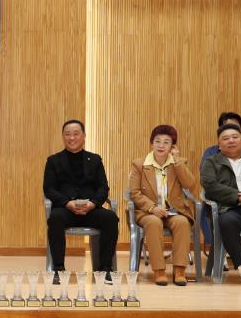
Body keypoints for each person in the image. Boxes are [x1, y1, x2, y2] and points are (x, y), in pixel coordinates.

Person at [43, 119, 118, 284]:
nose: (72, 138)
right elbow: (49, 189)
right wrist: (67, 203)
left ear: (84, 136)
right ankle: (58, 269)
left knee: (110, 218)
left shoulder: (95, 159)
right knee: (55, 218)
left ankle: (105, 269)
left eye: (76, 134)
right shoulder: (53, 160)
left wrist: (93, 204)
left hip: (90, 209)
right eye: (68, 134)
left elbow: (103, 188)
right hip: (65, 209)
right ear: (63, 137)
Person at [129, 125, 197, 285]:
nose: (161, 145)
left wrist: (177, 162)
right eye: (157, 141)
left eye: (166, 142)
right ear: (151, 143)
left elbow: (190, 184)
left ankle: (179, 270)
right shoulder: (139, 164)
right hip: (148, 212)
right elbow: (135, 192)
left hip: (174, 211)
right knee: (154, 223)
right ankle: (159, 271)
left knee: (182, 222)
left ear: (172, 146)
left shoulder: (179, 163)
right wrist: (153, 208)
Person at [201, 123, 241, 285]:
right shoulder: (211, 162)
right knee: (226, 221)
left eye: (235, 137)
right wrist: (239, 197)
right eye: (226, 138)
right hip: (229, 209)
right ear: (219, 144)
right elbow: (210, 186)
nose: (231, 141)